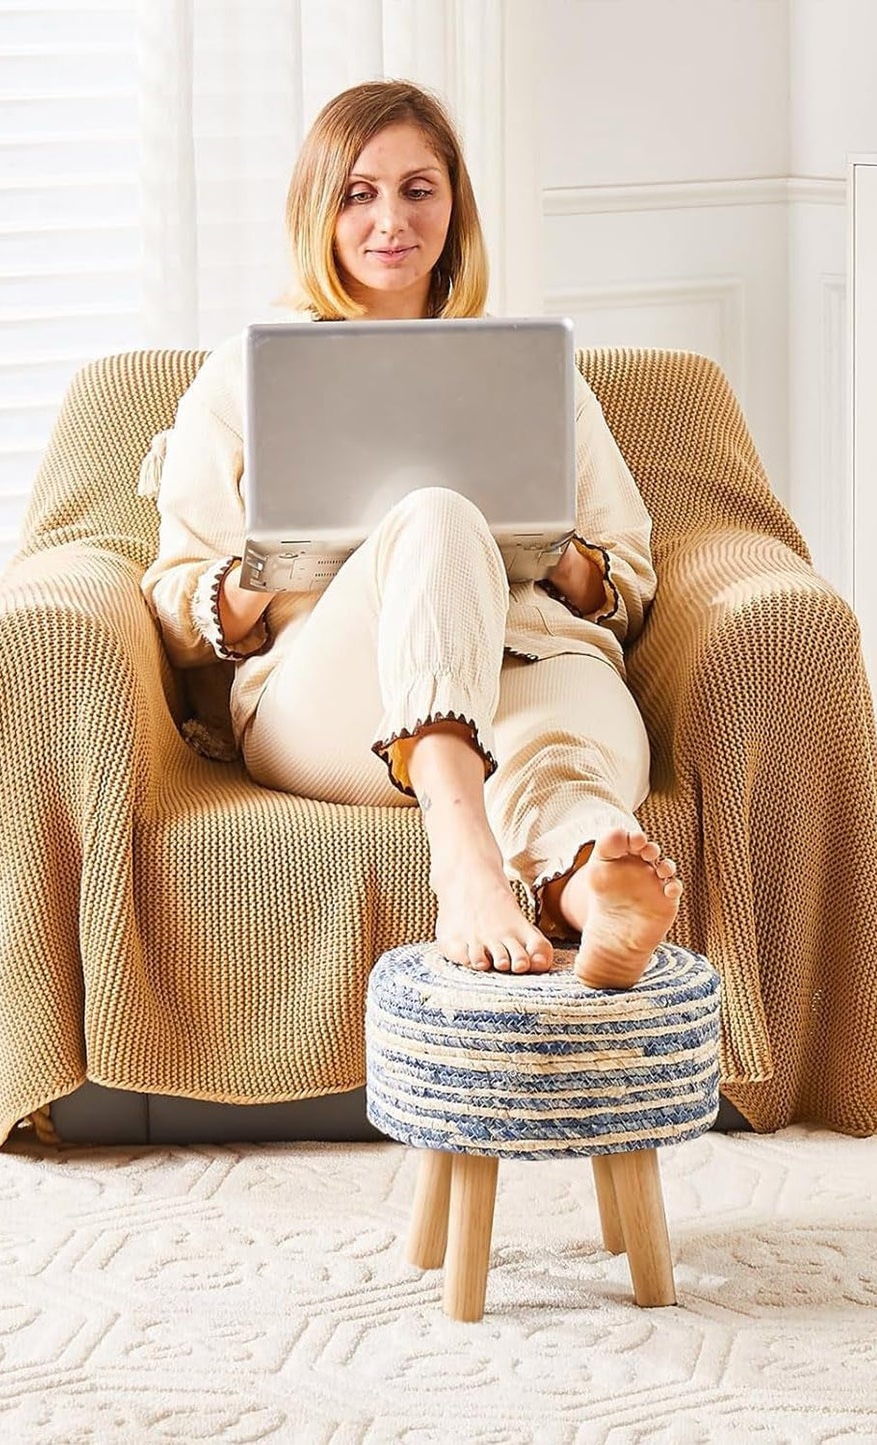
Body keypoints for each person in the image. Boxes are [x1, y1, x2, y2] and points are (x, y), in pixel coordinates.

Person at [140, 80, 681, 990]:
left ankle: (595, 895)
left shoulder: (533, 372)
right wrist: (283, 560)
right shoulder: (243, 377)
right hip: (330, 696)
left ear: (453, 206)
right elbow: (177, 610)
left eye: (417, 189)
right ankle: (464, 859)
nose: (391, 219)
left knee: (555, 756)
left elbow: (626, 577)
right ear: (320, 210)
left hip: (533, 661)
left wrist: (549, 548)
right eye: (359, 192)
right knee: (432, 512)